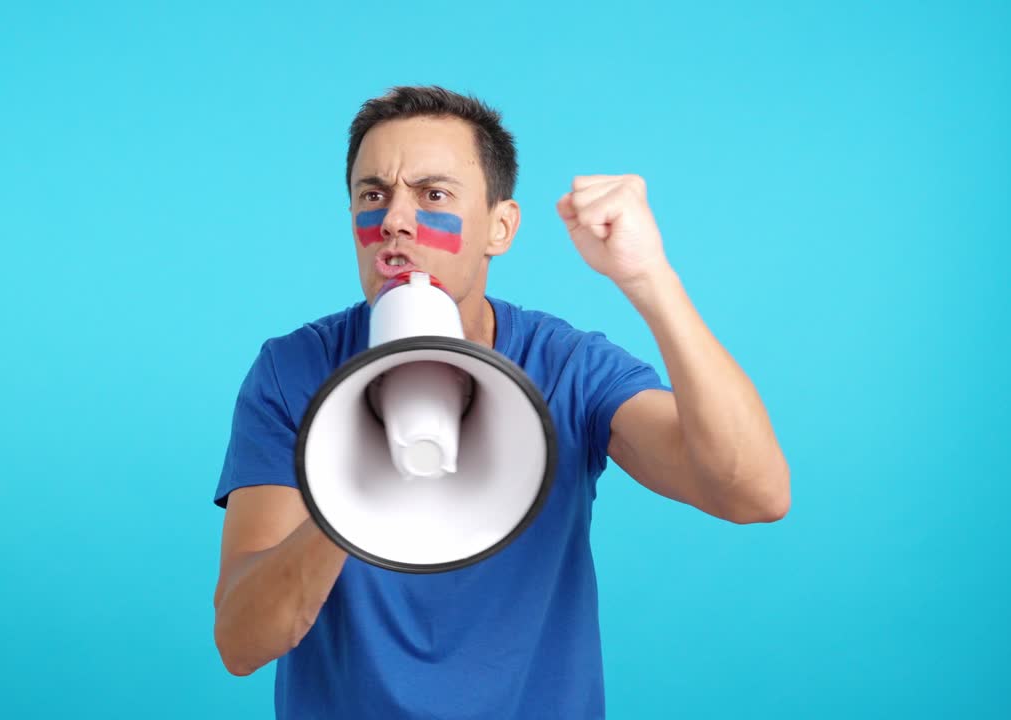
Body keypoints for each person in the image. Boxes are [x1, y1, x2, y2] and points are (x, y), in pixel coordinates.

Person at [212, 86, 790, 719]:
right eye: (373, 195)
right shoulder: (291, 371)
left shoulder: (567, 367)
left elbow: (753, 494)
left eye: (434, 195)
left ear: (500, 227)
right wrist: (354, 495)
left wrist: (649, 280)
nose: (395, 222)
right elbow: (242, 640)